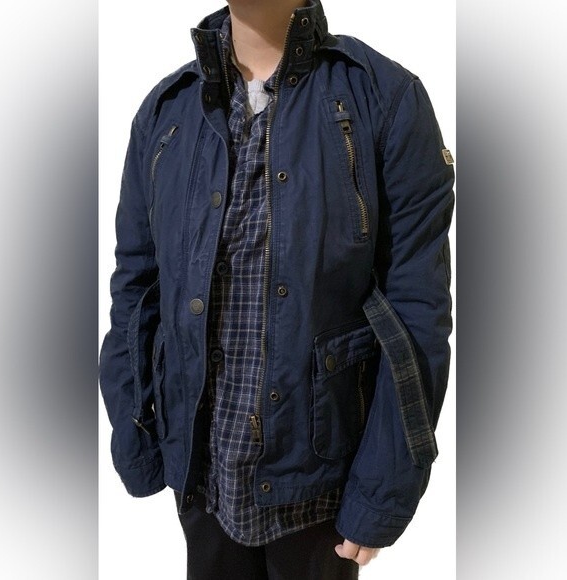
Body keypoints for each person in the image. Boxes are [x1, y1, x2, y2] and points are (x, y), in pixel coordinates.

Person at [99, 0, 455, 578]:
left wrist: (383, 490)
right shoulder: (167, 112)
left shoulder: (383, 98)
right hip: (202, 477)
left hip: (321, 487)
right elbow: (135, 287)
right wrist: (134, 433)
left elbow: (417, 308)